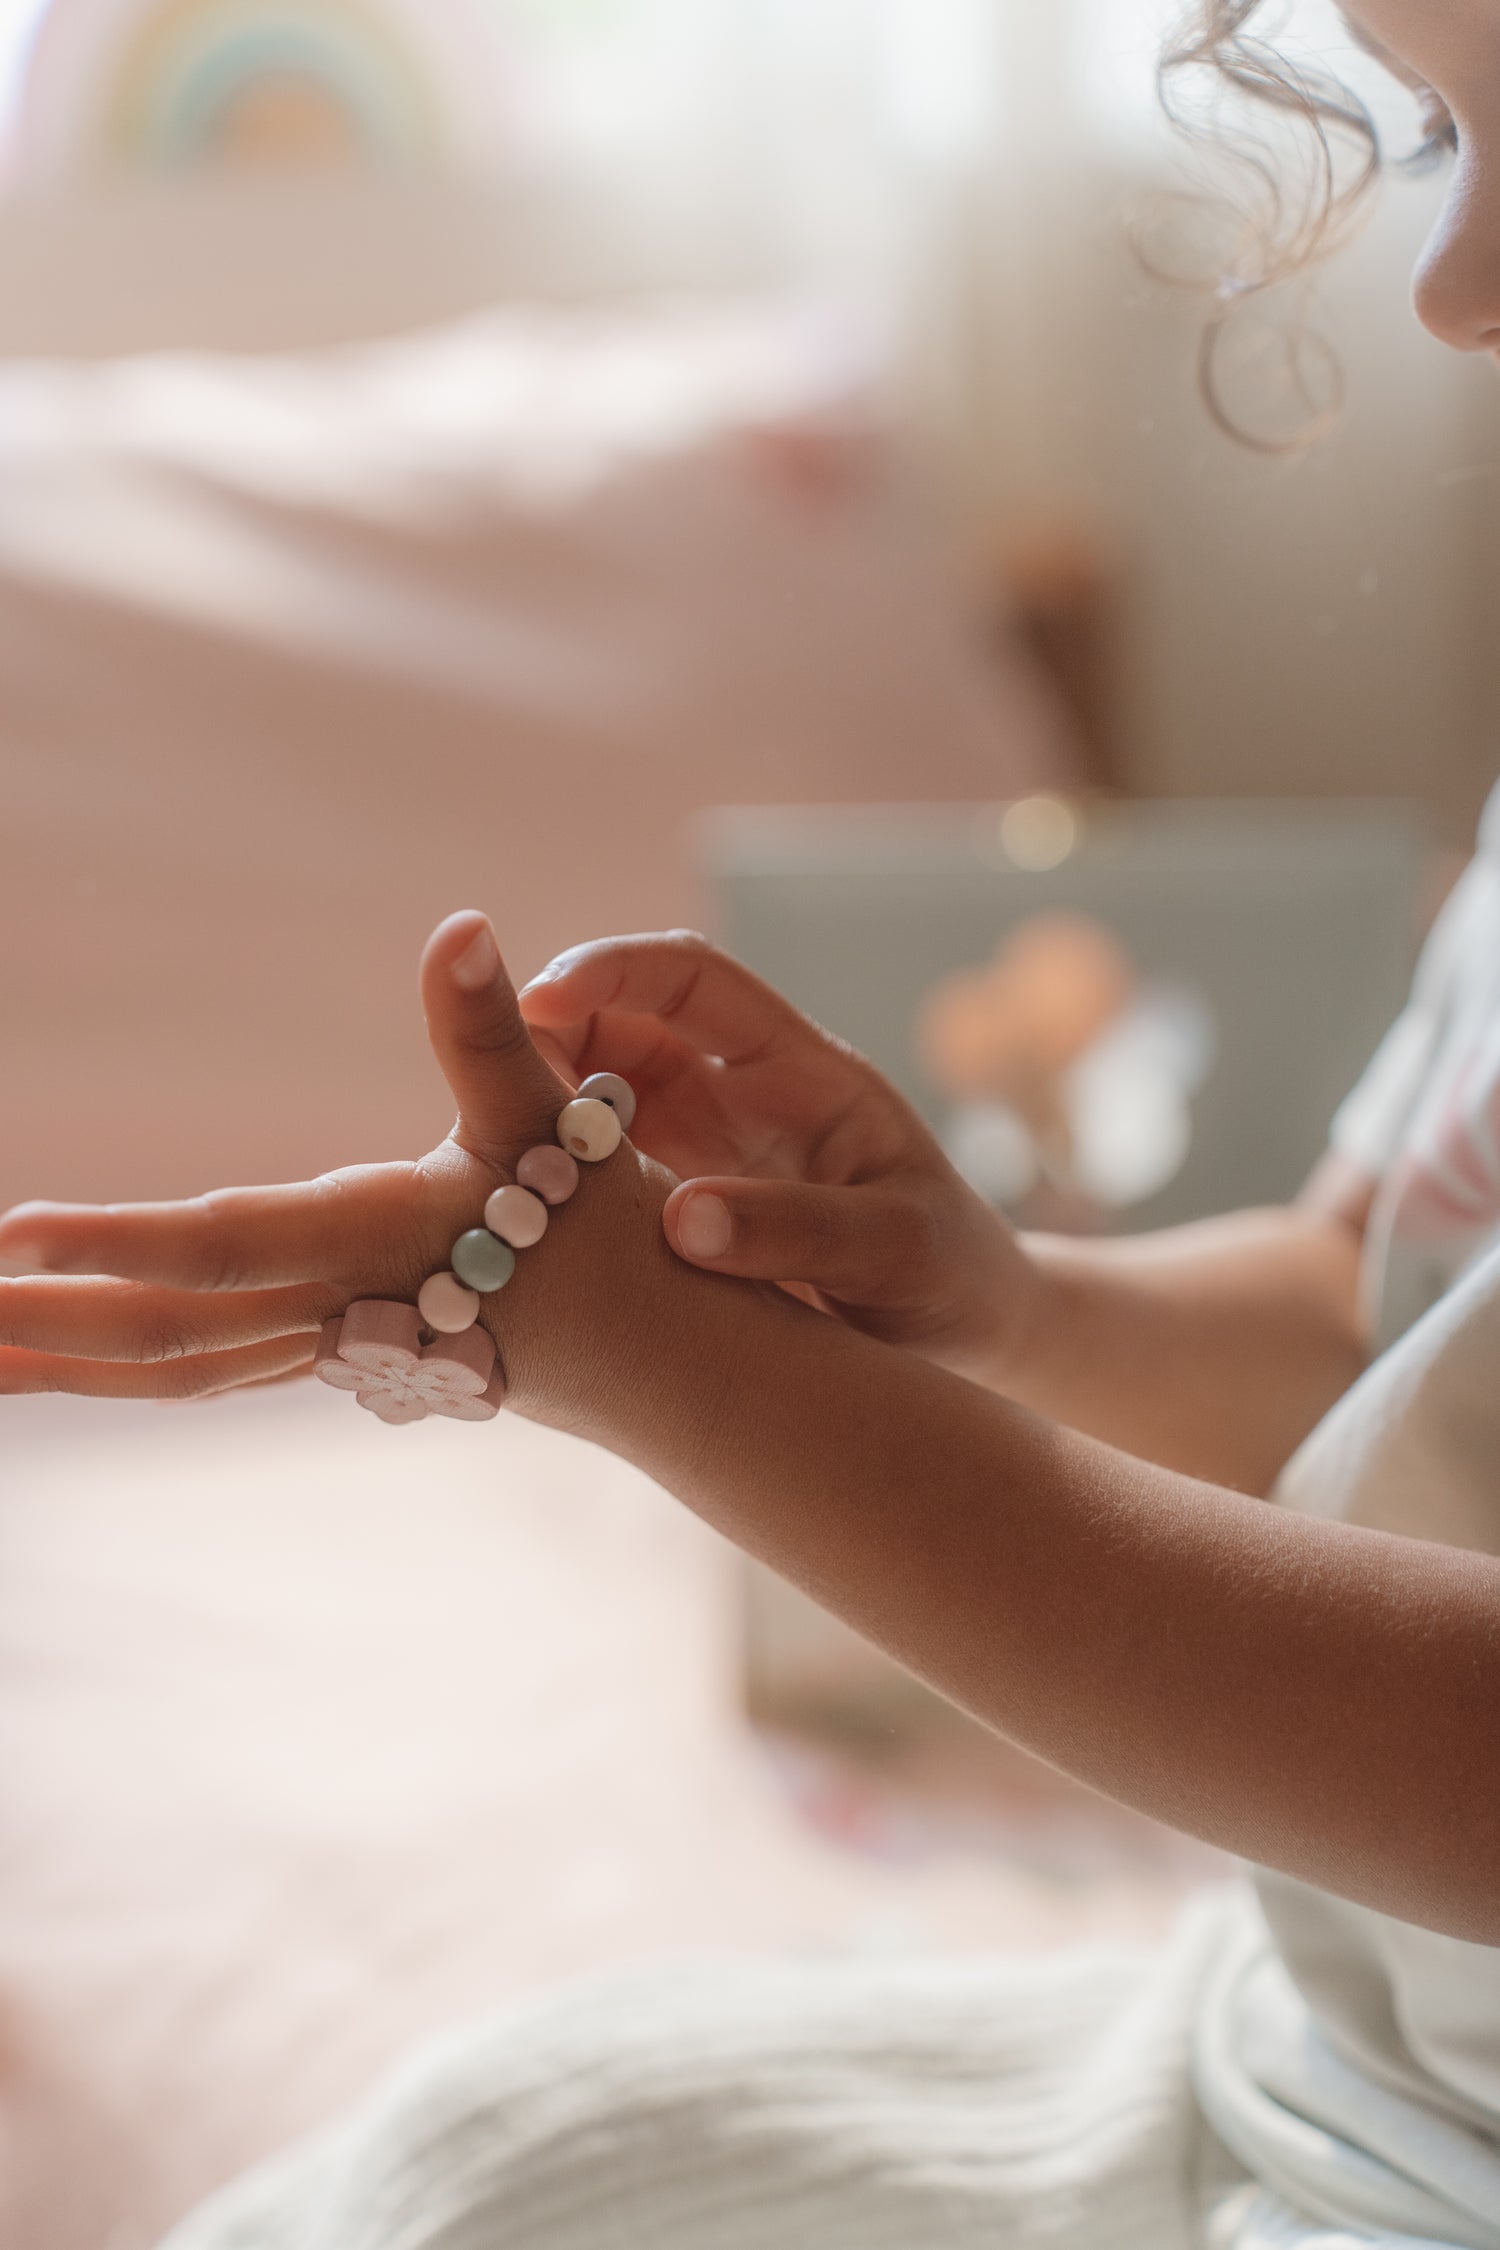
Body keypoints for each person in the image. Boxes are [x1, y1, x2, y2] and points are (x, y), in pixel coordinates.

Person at [3, 5, 1499, 2245]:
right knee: (489, 2160)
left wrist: (698, 1387)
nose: (1449, 284)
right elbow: (1374, 1323)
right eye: (1438, 138)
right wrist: (1002, 1297)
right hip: (1295, 2046)